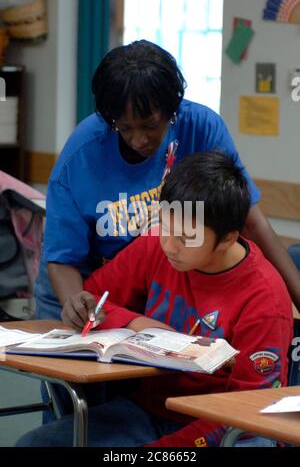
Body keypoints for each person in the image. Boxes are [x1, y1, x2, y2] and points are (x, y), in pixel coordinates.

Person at [16, 152, 293, 447]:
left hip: (223, 425)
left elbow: (247, 409)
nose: (169, 246)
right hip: (150, 411)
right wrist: (135, 321)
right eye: (165, 227)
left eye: (186, 238)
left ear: (227, 238)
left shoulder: (263, 299)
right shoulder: (157, 246)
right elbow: (94, 296)